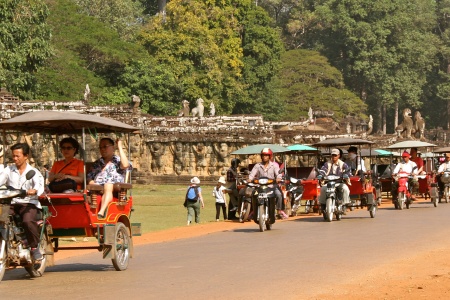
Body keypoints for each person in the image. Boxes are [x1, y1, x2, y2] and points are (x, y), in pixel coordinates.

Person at [0, 143, 45, 261]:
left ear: (26, 156)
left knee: (27, 220)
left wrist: (34, 191)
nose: (15, 159)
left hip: (28, 203)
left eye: (17, 156)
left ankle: (35, 248)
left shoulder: (33, 172)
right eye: (13, 156)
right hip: (11, 202)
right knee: (1, 218)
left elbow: (40, 186)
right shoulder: (8, 170)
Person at [87, 138, 132, 219]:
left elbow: (125, 165)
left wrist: (120, 146)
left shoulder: (118, 160)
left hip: (114, 186)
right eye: (100, 147)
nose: (103, 149)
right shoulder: (97, 163)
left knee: (108, 185)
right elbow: (90, 177)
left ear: (113, 147)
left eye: (105, 147)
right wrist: (92, 183)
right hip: (98, 187)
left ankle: (102, 211)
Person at [248, 148, 287, 219]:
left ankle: (279, 211)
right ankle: (253, 211)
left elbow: (278, 173)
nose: (264, 157)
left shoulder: (274, 165)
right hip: (260, 186)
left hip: (271, 186)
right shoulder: (257, 165)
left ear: (270, 156)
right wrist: (250, 179)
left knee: (279, 194)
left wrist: (278, 178)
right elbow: (252, 174)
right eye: (263, 155)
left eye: (266, 155)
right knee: (253, 195)